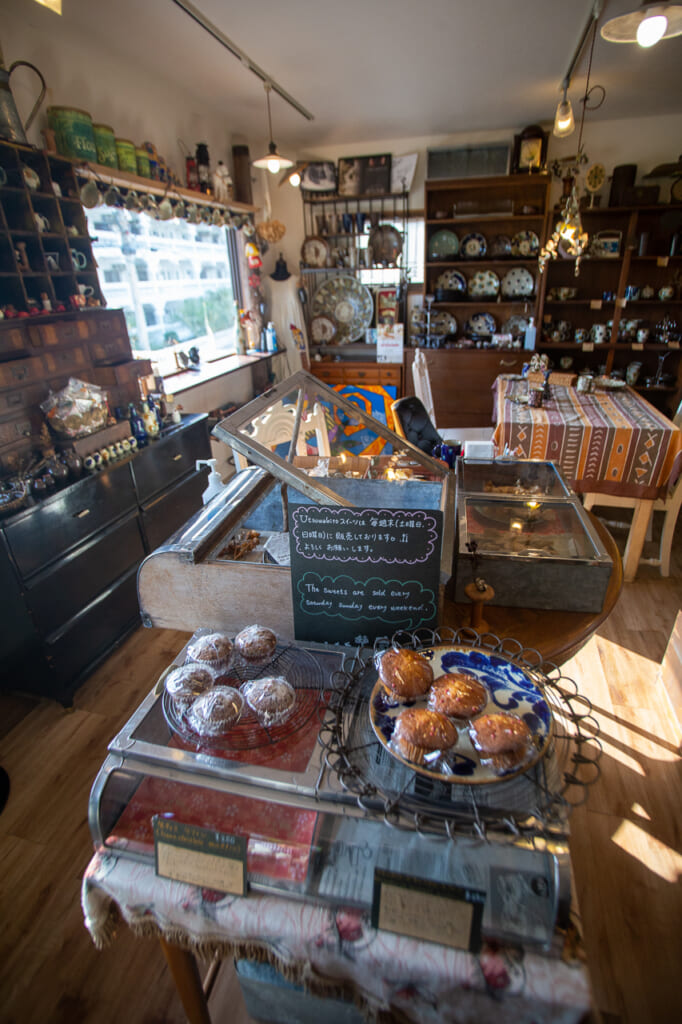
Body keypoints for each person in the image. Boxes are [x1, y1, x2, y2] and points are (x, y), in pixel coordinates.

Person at [264, 255, 309, 376]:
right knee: (279, 358)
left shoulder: (296, 280)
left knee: (297, 355)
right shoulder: (266, 282)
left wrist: (302, 287)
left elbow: (304, 299)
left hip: (293, 321)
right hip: (276, 324)